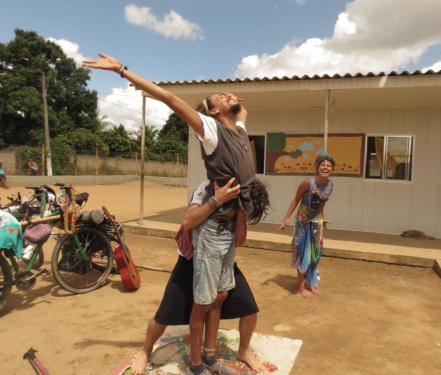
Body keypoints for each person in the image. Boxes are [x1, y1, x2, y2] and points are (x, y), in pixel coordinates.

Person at [83, 53, 268, 375]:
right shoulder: (210, 129)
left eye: (231, 96)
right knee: (201, 303)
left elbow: (242, 110)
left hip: (228, 229)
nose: (230, 96)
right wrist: (122, 70)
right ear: (212, 111)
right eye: (221, 97)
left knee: (222, 294)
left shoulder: (239, 130)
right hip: (210, 230)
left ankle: (210, 357)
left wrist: (235, 101)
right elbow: (167, 97)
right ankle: (196, 364)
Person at [131, 178, 266, 375]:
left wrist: (242, 213)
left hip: (220, 258)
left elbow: (239, 241)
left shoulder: (240, 196)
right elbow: (188, 222)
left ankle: (242, 352)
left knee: (248, 308)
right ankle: (146, 351)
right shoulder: (206, 188)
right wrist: (216, 201)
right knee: (164, 315)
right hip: (191, 260)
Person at [279, 155, 335, 298]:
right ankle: (301, 287)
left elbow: (321, 204)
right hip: (302, 223)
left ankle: (311, 282)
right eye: (323, 165)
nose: (325, 168)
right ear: (317, 167)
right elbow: (296, 200)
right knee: (302, 252)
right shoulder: (307, 183)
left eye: (328, 166)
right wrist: (286, 218)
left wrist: (323, 218)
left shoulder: (330, 185)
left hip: (316, 223)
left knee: (316, 254)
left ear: (332, 170)